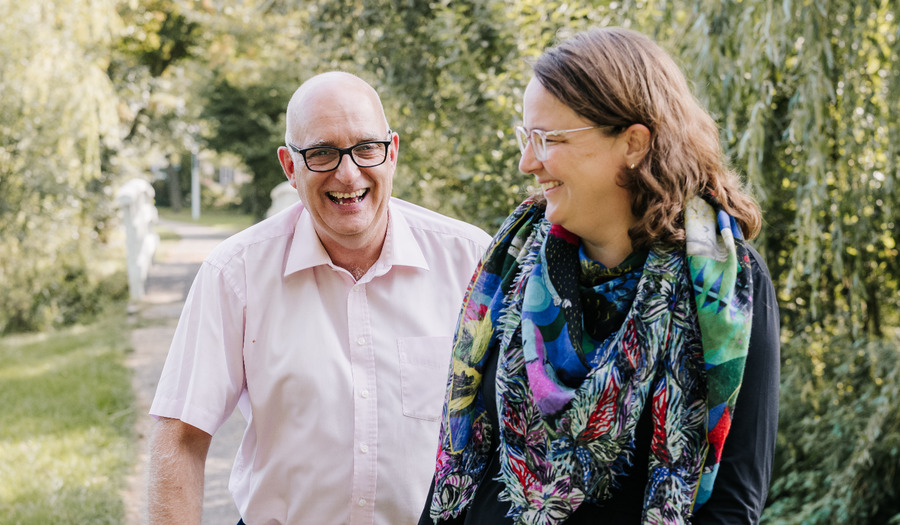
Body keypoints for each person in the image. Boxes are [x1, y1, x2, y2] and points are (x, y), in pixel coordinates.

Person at [420, 27, 780, 525]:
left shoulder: (725, 284)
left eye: (548, 139)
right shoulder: (509, 263)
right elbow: (458, 468)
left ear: (632, 143)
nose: (527, 163)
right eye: (527, 137)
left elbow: (733, 503)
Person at [148, 71, 492, 525]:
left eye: (366, 148)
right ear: (290, 167)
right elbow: (180, 436)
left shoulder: (474, 263)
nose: (348, 174)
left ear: (392, 152)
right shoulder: (235, 275)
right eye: (323, 153)